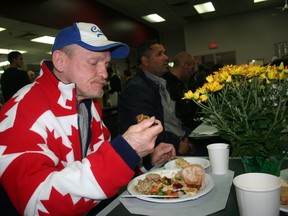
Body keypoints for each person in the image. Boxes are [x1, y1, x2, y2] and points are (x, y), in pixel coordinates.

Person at [0, 22, 175, 215]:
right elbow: (36, 205)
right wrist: (124, 152)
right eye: (93, 62)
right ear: (60, 61)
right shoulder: (20, 112)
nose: (105, 74)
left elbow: (94, 170)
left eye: (106, 64)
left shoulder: (88, 104)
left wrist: (145, 162)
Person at [118, 40, 195, 165]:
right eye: (159, 54)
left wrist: (184, 136)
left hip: (177, 140)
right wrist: (179, 144)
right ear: (145, 61)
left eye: (165, 53)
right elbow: (147, 128)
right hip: (161, 152)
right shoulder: (136, 88)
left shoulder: (160, 83)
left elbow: (173, 118)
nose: (166, 57)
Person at [163, 51, 201, 134]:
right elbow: (172, 116)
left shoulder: (180, 83)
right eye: (192, 68)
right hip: (180, 133)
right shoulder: (166, 84)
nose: (192, 73)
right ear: (185, 66)